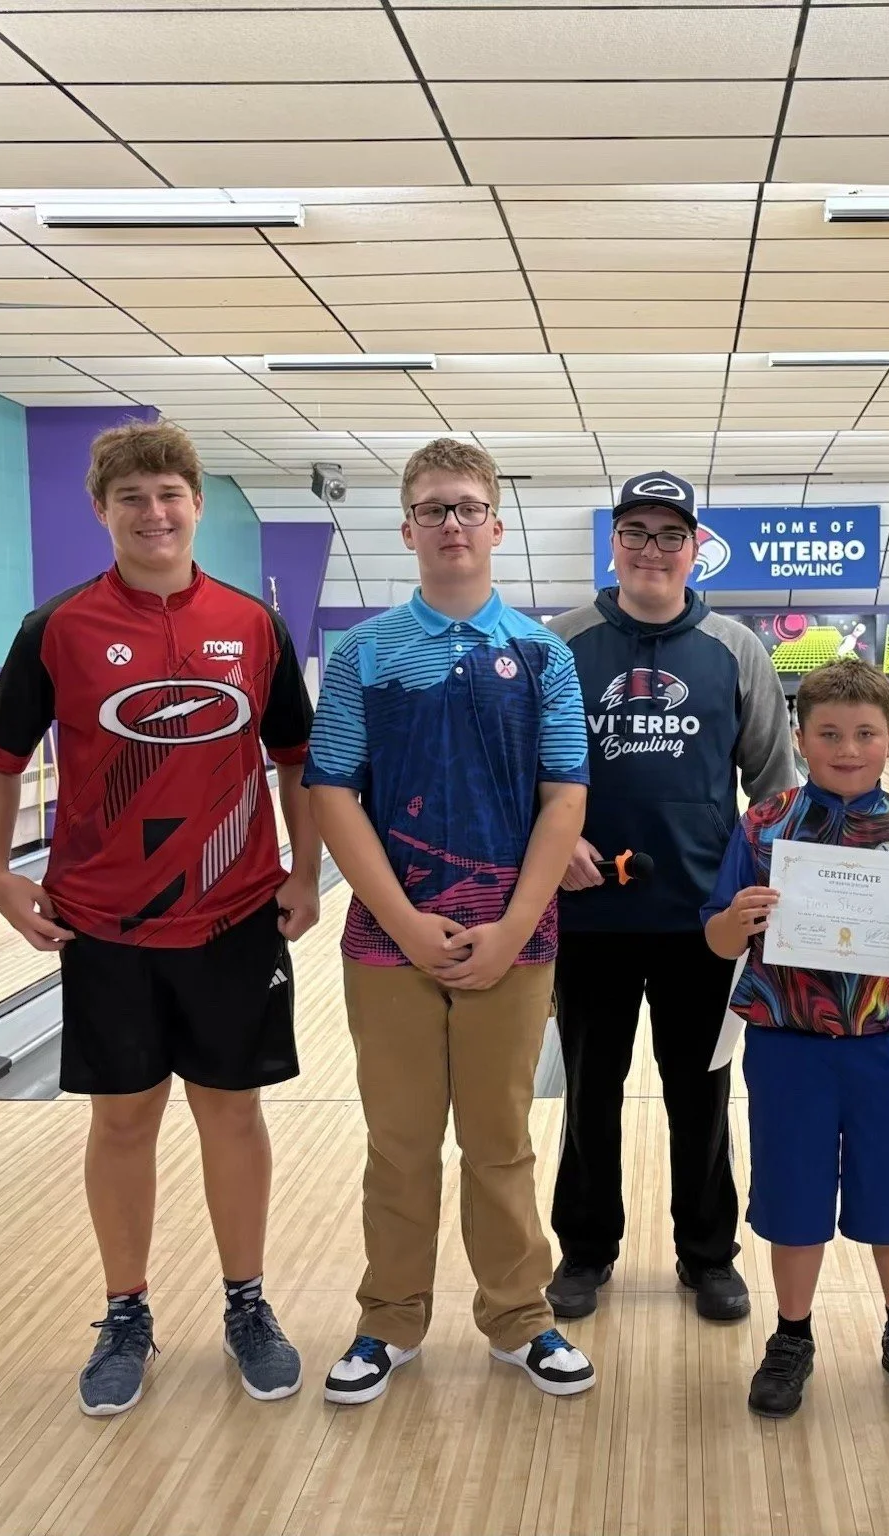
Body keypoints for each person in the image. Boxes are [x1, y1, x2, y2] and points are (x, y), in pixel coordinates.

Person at [0, 420, 321, 1417]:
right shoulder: (59, 627)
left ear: (197, 503)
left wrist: (308, 870)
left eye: (169, 494)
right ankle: (126, 1311)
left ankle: (247, 1305)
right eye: (132, 499)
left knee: (232, 1112)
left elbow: (295, 759)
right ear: (102, 512)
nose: (154, 514)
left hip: (233, 915)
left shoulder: (253, 624)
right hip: (107, 923)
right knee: (123, 1119)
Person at [306, 438, 596, 1404]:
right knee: (398, 1141)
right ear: (408, 529)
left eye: (468, 507)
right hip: (388, 945)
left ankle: (520, 1319)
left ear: (496, 526)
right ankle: (389, 1320)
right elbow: (334, 795)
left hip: (515, 942)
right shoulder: (365, 655)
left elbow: (565, 801)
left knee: (501, 1139)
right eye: (434, 509)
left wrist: (514, 927)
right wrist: (401, 920)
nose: (452, 523)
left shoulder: (544, 654)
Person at [546, 470, 794, 1323]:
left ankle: (707, 1255)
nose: (653, 549)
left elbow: (772, 789)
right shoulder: (562, 642)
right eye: (636, 532)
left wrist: (759, 902)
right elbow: (526, 772)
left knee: (702, 1093)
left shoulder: (734, 648)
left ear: (696, 549)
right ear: (613, 543)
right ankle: (584, 1251)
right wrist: (555, 842)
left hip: (703, 923)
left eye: (670, 534)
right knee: (589, 1091)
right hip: (588, 917)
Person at [702, 657, 889, 1419]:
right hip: (788, 1047)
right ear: (800, 736)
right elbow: (720, 941)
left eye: (864, 734)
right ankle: (792, 1336)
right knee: (792, 1196)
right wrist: (738, 918)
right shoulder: (763, 826)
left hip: (887, 1048)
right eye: (829, 733)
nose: (847, 748)